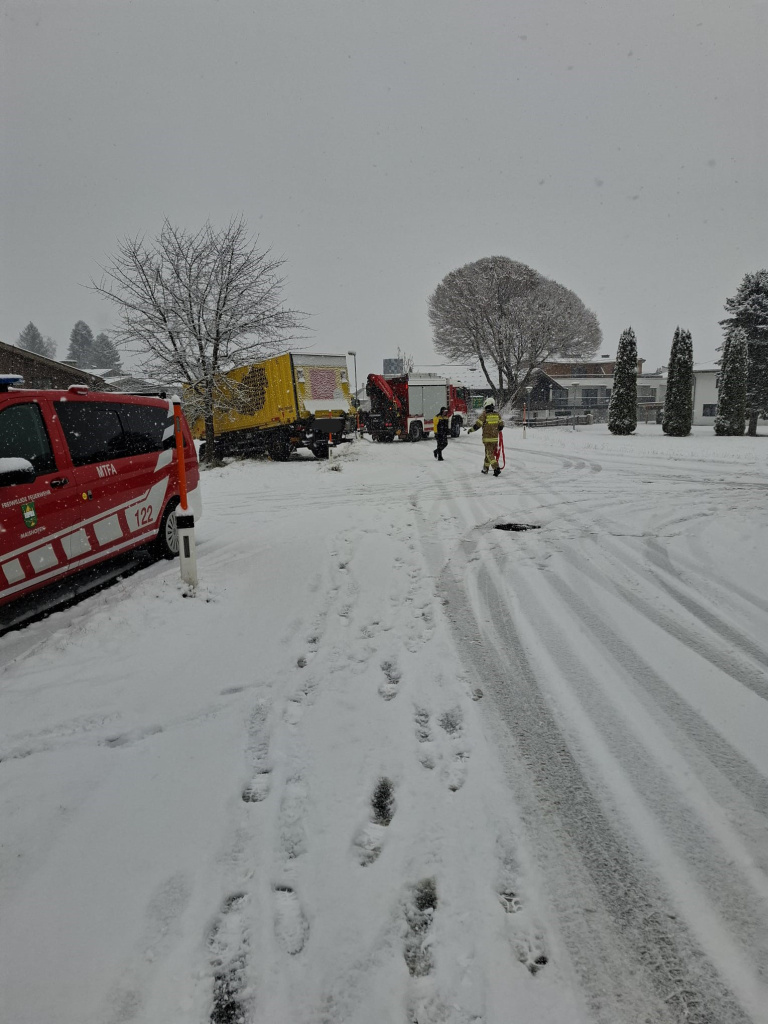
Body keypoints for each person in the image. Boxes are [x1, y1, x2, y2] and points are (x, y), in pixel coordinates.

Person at [467, 397, 504, 475]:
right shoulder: (497, 415)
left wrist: (470, 430)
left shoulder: (484, 415)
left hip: (487, 439)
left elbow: (477, 425)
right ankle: (485, 469)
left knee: (489, 454)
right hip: (495, 439)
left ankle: (496, 468)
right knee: (488, 454)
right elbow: (501, 425)